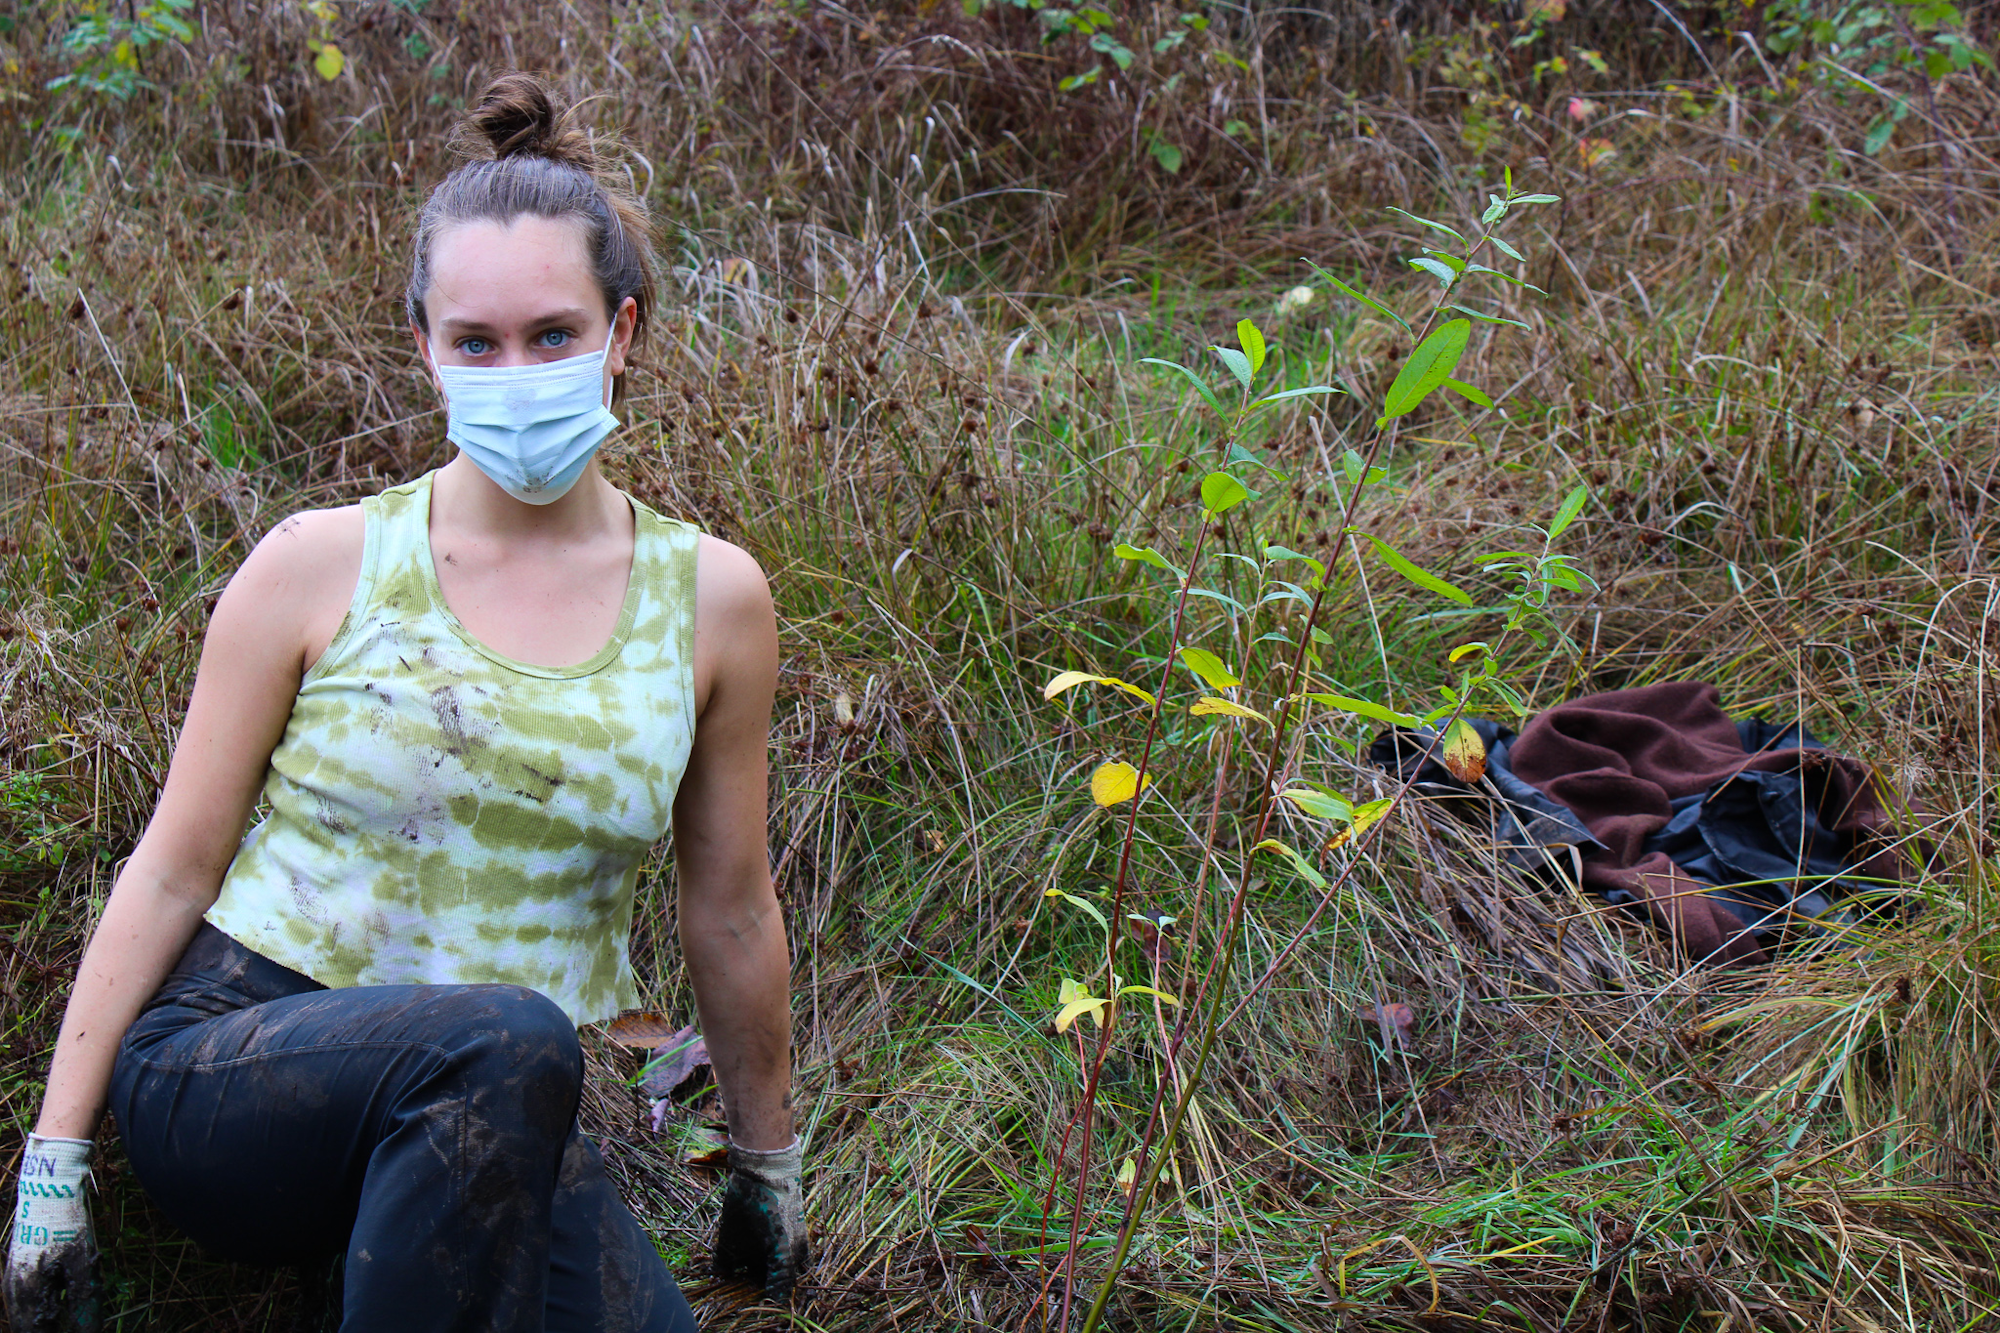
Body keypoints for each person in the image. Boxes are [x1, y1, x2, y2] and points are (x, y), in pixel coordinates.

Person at [3, 72, 807, 1332]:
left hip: (496, 1113)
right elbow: (172, 866)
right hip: (238, 1062)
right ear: (423, 345)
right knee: (504, 1034)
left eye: (552, 334)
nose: (514, 369)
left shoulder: (711, 600)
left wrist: (768, 1166)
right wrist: (53, 1164)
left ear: (624, 332)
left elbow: (733, 908)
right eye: (475, 342)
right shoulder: (319, 562)